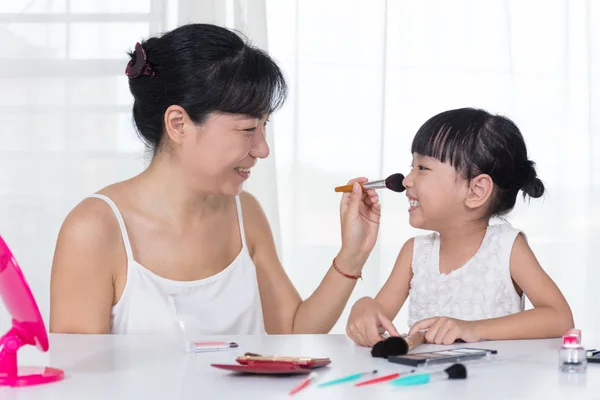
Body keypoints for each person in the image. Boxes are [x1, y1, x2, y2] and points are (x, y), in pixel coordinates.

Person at [49, 23, 381, 335]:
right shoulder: (94, 230)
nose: (262, 149)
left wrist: (353, 253)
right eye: (248, 129)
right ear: (179, 124)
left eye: (264, 126)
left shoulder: (244, 213)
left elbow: (292, 333)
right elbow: (77, 381)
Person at [346, 107, 574, 346]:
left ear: (476, 191)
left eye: (422, 168)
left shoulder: (507, 248)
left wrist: (473, 329)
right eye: (411, 165)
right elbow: (378, 318)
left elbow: (560, 318)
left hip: (497, 382)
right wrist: (363, 307)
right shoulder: (414, 253)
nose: (406, 180)